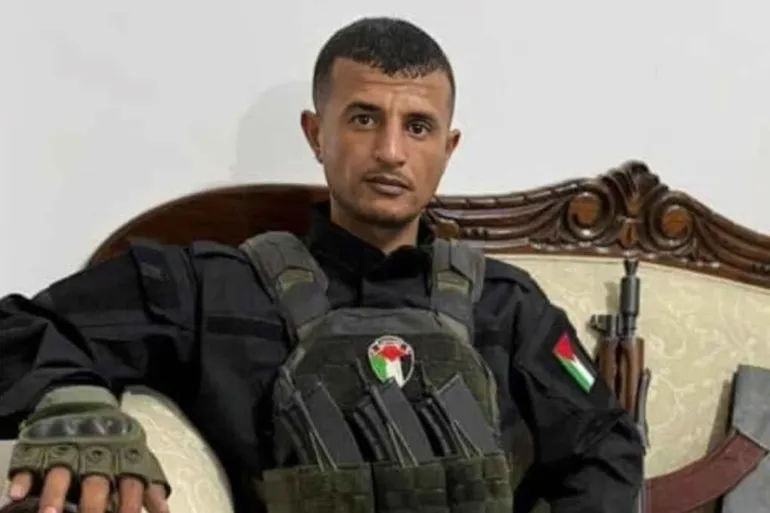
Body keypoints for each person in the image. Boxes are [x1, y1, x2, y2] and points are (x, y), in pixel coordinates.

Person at [0, 16, 643, 513]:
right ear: (316, 133)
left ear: (448, 148)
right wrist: (72, 402)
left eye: (418, 127)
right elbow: (21, 327)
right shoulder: (212, 289)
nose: (390, 151)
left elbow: (605, 444)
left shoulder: (509, 306)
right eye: (364, 118)